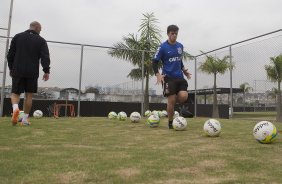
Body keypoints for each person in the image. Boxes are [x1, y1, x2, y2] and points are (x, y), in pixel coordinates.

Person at [7, 21, 50, 125]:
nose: (40, 31)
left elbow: (10, 55)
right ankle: (25, 120)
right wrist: (46, 71)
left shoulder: (17, 37)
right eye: (40, 29)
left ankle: (16, 109)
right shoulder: (41, 41)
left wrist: (11, 68)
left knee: (15, 93)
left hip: (18, 69)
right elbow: (45, 57)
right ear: (36, 27)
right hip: (32, 71)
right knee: (29, 96)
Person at [152, 25, 191, 129]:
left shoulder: (180, 46)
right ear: (168, 34)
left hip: (179, 77)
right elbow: (154, 62)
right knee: (171, 99)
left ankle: (175, 106)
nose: (174, 35)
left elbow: (179, 59)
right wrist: (158, 74)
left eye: (176, 33)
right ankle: (170, 122)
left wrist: (184, 70)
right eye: (172, 33)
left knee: (183, 96)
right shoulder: (162, 47)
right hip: (168, 77)